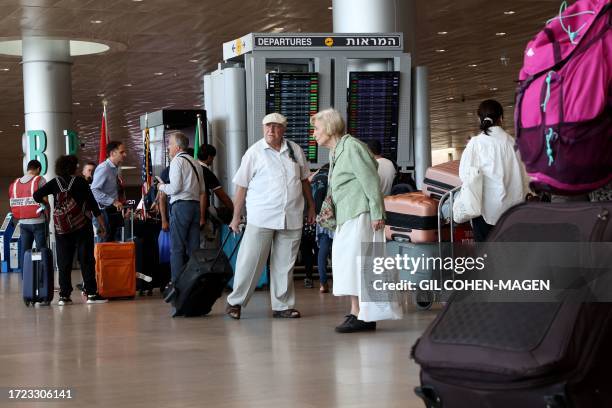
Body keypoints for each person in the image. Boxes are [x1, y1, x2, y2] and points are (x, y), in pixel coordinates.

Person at [226, 112, 316, 320]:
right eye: (267, 126)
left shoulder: (295, 150)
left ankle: (282, 305)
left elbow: (304, 181)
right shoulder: (254, 152)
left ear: (284, 129)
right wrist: (235, 216)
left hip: (291, 215)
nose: (271, 130)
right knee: (250, 261)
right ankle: (235, 302)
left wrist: (311, 207)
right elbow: (241, 186)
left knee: (285, 264)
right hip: (262, 217)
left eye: (275, 127)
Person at [311, 108, 386, 333]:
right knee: (349, 265)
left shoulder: (352, 147)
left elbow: (370, 180)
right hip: (347, 215)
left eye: (316, 129)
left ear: (329, 128)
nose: (313, 134)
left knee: (360, 264)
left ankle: (363, 314)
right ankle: (357, 311)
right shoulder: (337, 152)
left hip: (360, 214)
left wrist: (377, 213)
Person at [33, 155, 107, 305]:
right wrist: (102, 225)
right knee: (86, 259)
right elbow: (93, 204)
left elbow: (36, 195)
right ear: (73, 167)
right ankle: (91, 294)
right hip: (82, 226)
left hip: (62, 228)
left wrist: (46, 203)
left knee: (63, 261)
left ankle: (64, 296)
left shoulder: (55, 183)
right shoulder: (80, 181)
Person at [457, 99, 529, 241]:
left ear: (479, 118)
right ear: (501, 118)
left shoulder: (476, 144)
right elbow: (527, 178)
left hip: (485, 213)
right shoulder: (515, 145)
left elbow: (464, 175)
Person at [156, 132, 206, 282]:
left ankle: (177, 284)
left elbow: (175, 188)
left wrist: (161, 186)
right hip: (195, 207)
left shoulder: (177, 162)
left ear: (177, 147)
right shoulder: (195, 162)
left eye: (170, 144)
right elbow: (202, 190)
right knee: (194, 249)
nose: (168, 148)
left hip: (181, 206)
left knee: (176, 248)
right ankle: (194, 281)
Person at [8, 160, 49, 266]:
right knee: (41, 251)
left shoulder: (16, 183)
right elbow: (46, 202)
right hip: (38, 221)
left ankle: (26, 278)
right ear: (38, 169)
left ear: (28, 169)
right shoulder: (40, 180)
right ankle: (41, 277)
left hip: (23, 223)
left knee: (25, 251)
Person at [91, 141, 127, 242]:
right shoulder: (104, 168)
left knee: (113, 246)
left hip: (111, 212)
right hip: (103, 213)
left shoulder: (114, 168)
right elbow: (94, 190)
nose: (125, 154)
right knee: (104, 247)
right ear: (112, 153)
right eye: (122, 152)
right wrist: (113, 201)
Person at [196, 143, 234, 223]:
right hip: (201, 214)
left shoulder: (191, 167)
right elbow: (222, 196)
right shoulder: (206, 172)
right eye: (213, 158)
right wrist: (235, 211)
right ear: (209, 157)